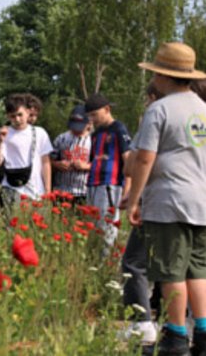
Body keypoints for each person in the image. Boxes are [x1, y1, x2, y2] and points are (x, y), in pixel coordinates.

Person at [127, 42, 206, 356]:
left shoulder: (159, 109)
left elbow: (145, 158)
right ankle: (201, 332)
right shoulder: (202, 108)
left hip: (169, 200)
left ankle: (174, 338)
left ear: (163, 75)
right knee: (198, 270)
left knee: (170, 271)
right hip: (201, 200)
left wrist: (135, 201)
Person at [120, 82, 164, 346]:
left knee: (135, 263)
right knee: (183, 266)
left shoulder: (156, 115)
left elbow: (135, 162)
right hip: (194, 203)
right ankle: (189, 323)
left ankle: (143, 323)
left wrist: (134, 198)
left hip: (157, 200)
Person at [0, 94, 53, 218]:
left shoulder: (39, 133)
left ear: (27, 112)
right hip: (11, 188)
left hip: (37, 190)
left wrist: (48, 189)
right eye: (12, 116)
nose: (17, 119)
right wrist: (0, 142)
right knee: (14, 230)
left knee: (36, 231)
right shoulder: (4, 134)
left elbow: (45, 162)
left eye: (20, 114)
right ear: (7, 116)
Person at [85, 92, 131, 248]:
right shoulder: (95, 134)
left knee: (107, 226)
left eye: (94, 115)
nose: (92, 120)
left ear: (106, 109)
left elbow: (128, 160)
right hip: (93, 184)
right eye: (89, 116)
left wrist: (128, 189)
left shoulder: (119, 129)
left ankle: (106, 263)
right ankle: (94, 261)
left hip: (110, 184)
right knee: (92, 227)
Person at [51, 104, 92, 202]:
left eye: (79, 127)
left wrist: (86, 166)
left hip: (84, 191)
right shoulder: (61, 138)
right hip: (61, 189)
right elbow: (48, 160)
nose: (76, 130)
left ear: (89, 124)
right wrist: (57, 164)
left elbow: (101, 164)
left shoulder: (94, 140)